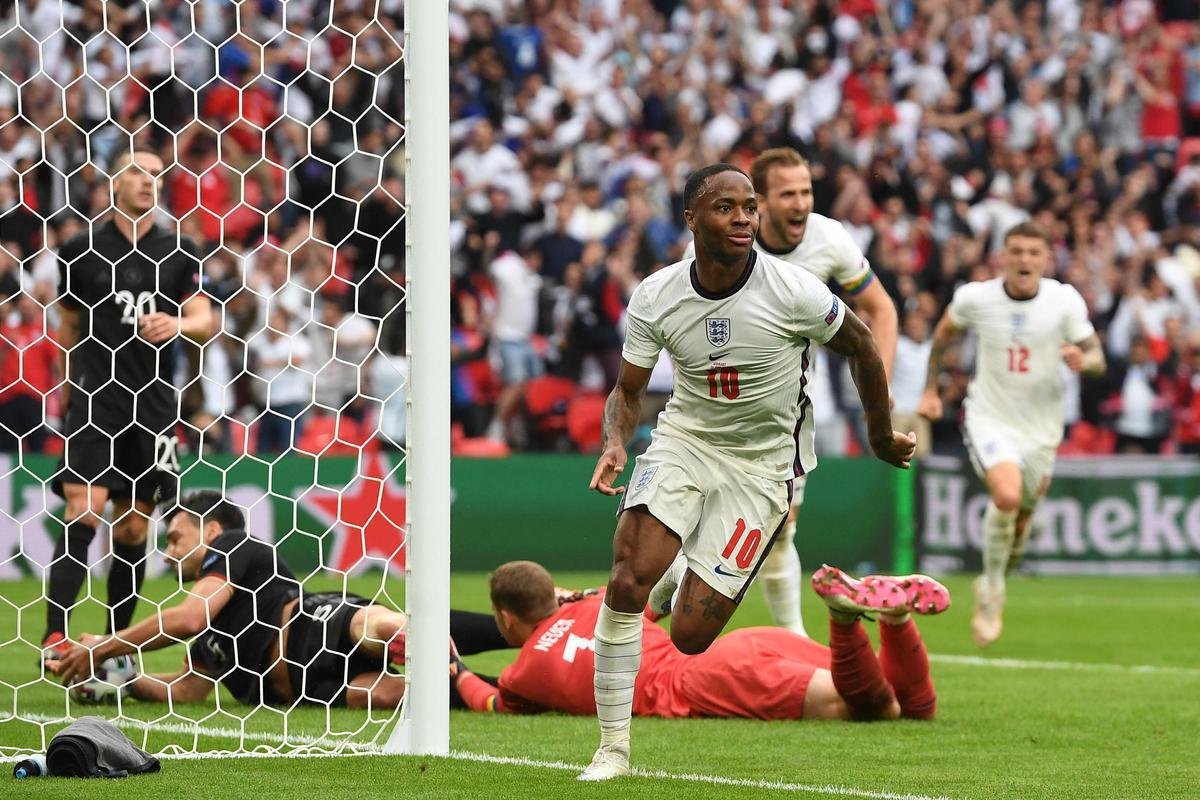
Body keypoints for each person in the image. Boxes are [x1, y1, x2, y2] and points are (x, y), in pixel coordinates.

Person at [580, 164, 914, 780]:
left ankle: (682, 568)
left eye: (749, 207)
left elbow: (864, 345)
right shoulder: (656, 294)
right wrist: (615, 443)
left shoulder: (793, 290)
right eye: (726, 207)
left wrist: (878, 431)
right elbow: (628, 390)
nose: (743, 219)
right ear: (691, 219)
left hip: (762, 467)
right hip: (685, 441)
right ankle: (612, 749)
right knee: (626, 579)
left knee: (689, 636)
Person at [684, 147, 901, 637]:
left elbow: (881, 309)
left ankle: (792, 639)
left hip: (789, 403)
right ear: (758, 202)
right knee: (698, 511)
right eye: (788, 194)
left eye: (806, 191)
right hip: (717, 400)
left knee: (781, 525)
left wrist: (881, 383)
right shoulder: (714, 246)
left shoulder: (828, 238)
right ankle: (660, 601)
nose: (801, 203)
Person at [49, 491, 507, 709]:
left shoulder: (234, 545)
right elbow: (187, 690)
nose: (167, 554)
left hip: (312, 626)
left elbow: (188, 617)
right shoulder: (212, 634)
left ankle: (430, 638)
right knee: (405, 695)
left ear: (211, 531)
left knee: (375, 627)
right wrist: (124, 679)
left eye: (174, 539)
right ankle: (516, 689)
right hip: (308, 691)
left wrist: (105, 646)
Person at [44, 146, 212, 663]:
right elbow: (69, 326)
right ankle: (54, 636)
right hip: (96, 400)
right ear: (114, 183)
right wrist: (67, 392)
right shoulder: (80, 250)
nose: (148, 181)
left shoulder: (180, 250)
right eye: (137, 171)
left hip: (154, 406)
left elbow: (205, 319)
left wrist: (177, 324)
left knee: (135, 526)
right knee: (84, 508)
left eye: (157, 174)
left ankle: (113, 647)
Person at [451, 560, 948, 726]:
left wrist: (457, 670)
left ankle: (843, 616)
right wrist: (579, 596)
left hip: (707, 681)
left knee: (875, 708)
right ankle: (896, 619)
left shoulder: (523, 673)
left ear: (505, 617)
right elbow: (656, 600)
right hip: (745, 646)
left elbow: (490, 701)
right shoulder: (598, 606)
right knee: (915, 708)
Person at [917, 222, 1106, 648]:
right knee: (1006, 495)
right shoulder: (976, 298)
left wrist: (1084, 361)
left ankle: (1002, 565)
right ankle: (991, 590)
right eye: (1016, 251)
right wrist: (930, 390)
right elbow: (942, 336)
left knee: (1020, 522)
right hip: (990, 417)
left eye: (1033, 252)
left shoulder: (1063, 301)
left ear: (1046, 259)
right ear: (1002, 257)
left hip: (1041, 427)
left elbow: (1096, 355)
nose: (1024, 260)